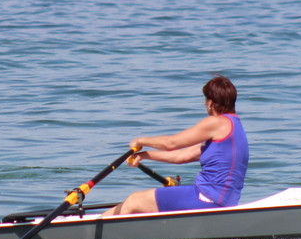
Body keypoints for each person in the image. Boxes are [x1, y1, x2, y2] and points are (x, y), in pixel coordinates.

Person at [102, 76, 249, 217]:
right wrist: (144, 155)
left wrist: (141, 140)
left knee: (135, 200)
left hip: (206, 198)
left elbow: (171, 144)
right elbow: (181, 156)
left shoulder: (216, 123)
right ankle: (98, 221)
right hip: (224, 201)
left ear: (210, 103)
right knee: (134, 202)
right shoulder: (235, 128)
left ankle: (91, 233)